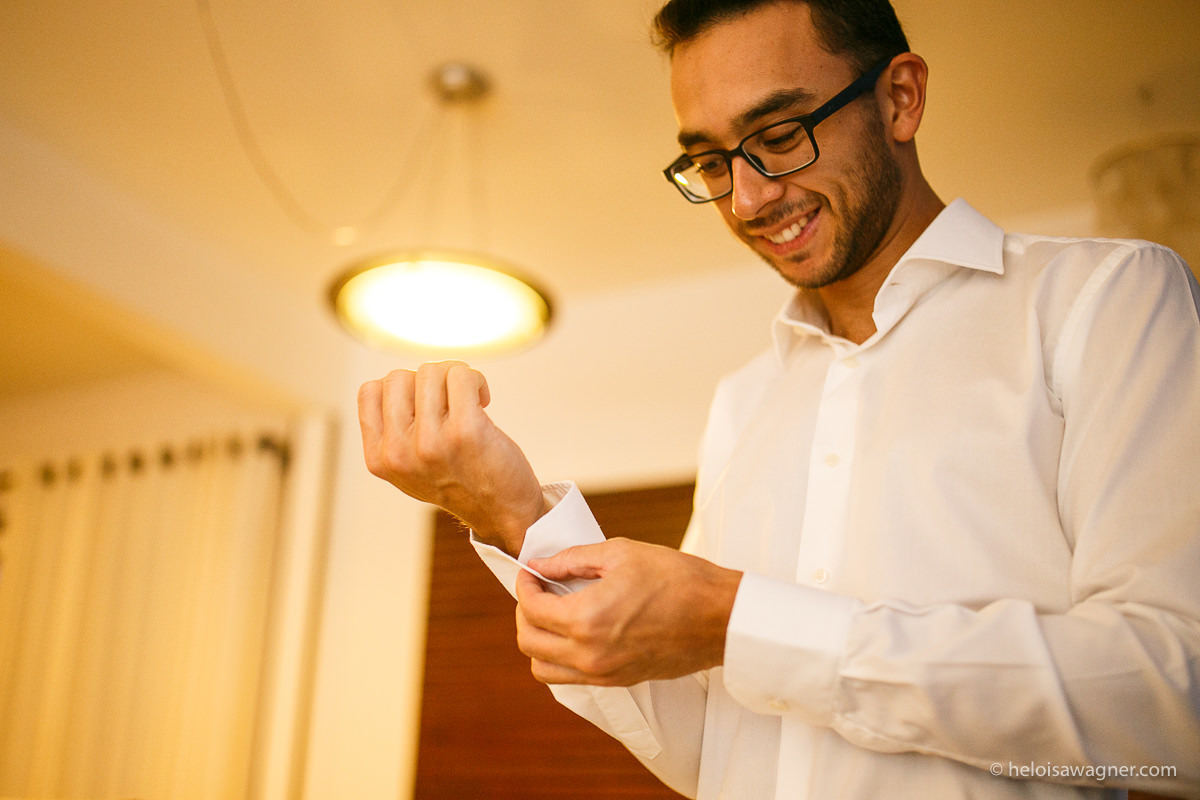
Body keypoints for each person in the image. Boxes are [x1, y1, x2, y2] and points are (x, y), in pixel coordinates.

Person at [356, 0, 1200, 797]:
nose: (748, 198)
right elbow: (710, 745)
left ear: (900, 98)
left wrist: (737, 618)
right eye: (711, 161)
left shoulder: (1103, 302)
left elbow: (1177, 702)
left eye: (780, 136)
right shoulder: (744, 401)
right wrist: (514, 515)